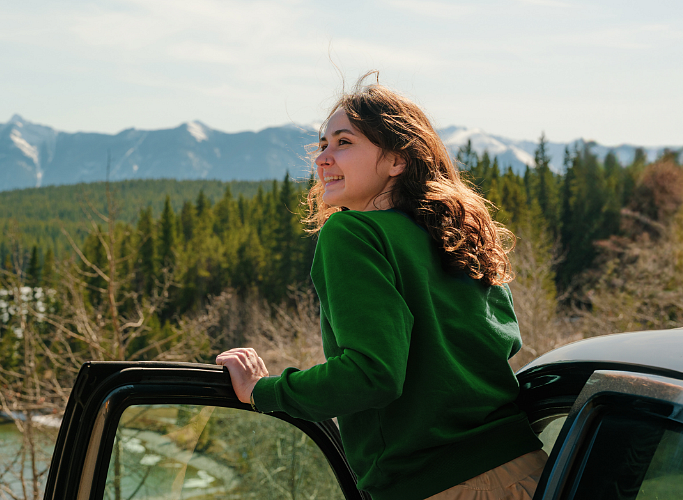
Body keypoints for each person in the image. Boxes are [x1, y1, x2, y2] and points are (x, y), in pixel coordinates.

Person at [214, 73, 543, 500]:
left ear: (396, 160)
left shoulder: (352, 233)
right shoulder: (460, 233)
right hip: (531, 473)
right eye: (322, 144)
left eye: (343, 142)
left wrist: (263, 391)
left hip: (439, 486)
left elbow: (373, 376)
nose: (322, 159)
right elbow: (503, 343)